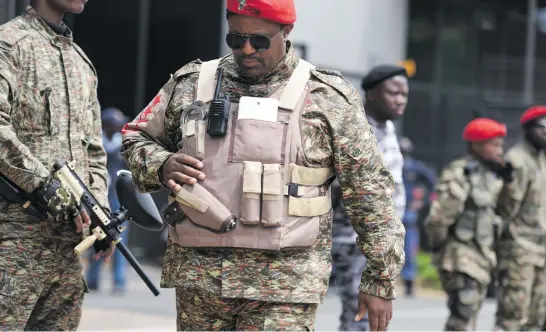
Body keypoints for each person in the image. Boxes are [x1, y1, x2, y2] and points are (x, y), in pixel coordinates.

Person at [121, 0, 405, 330]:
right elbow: (134, 139)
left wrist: (380, 280)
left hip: (284, 287)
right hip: (201, 283)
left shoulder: (326, 97)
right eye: (235, 39)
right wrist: (162, 164)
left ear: (286, 32)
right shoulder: (192, 84)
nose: (246, 49)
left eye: (258, 40)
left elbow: (370, 194)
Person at [0, 0, 113, 330]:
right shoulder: (10, 45)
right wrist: (42, 183)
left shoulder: (81, 64)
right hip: (13, 242)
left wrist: (100, 214)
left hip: (66, 251)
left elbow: (93, 150)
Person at [330, 64, 408, 331]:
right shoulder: (357, 128)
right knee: (362, 314)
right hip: (355, 238)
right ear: (372, 94)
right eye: (393, 93)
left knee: (365, 315)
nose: (401, 101)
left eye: (404, 94)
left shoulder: (388, 129)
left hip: (381, 240)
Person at [424, 118, 511, 331]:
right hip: (461, 257)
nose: (500, 150)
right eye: (495, 144)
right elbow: (439, 219)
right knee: (462, 318)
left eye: (501, 144)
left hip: (481, 258)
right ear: (477, 145)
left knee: (470, 317)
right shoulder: (461, 172)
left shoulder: (490, 173)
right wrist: (440, 248)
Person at [494, 106, 546, 331]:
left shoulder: (541, 160)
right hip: (519, 252)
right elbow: (505, 211)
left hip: (540, 251)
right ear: (528, 129)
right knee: (513, 319)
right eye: (543, 128)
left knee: (537, 319)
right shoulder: (517, 161)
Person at [86, 107, 129, 294]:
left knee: (119, 239)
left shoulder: (124, 145)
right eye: (114, 124)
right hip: (98, 195)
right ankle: (92, 279)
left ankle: (118, 281)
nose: (117, 127)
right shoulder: (96, 143)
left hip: (118, 198)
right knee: (96, 236)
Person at [398, 137, 436, 297]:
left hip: (407, 212)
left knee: (408, 248)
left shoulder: (415, 168)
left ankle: (408, 281)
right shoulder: (389, 165)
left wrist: (422, 201)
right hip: (389, 210)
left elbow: (434, 184)